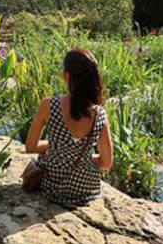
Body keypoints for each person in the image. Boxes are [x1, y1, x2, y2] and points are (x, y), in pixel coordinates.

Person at [25, 48, 113, 207]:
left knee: (40, 160)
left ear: (67, 75)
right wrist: (82, 156)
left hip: (53, 188)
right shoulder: (99, 114)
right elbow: (106, 163)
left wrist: (58, 147)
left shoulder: (49, 105)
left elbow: (31, 146)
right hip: (86, 189)